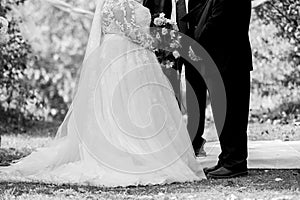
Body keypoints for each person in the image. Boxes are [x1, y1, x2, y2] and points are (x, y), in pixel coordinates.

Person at [0, 0, 206, 186]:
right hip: (127, 54)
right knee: (133, 102)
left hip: (113, 54)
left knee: (118, 102)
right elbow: (132, 32)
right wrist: (160, 41)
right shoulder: (122, 4)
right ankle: (131, 151)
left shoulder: (110, 3)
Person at [180, 0, 253, 178]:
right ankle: (227, 159)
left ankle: (235, 162)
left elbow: (217, 23)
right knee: (224, 114)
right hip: (220, 61)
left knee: (232, 114)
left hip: (230, 60)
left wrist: (195, 47)